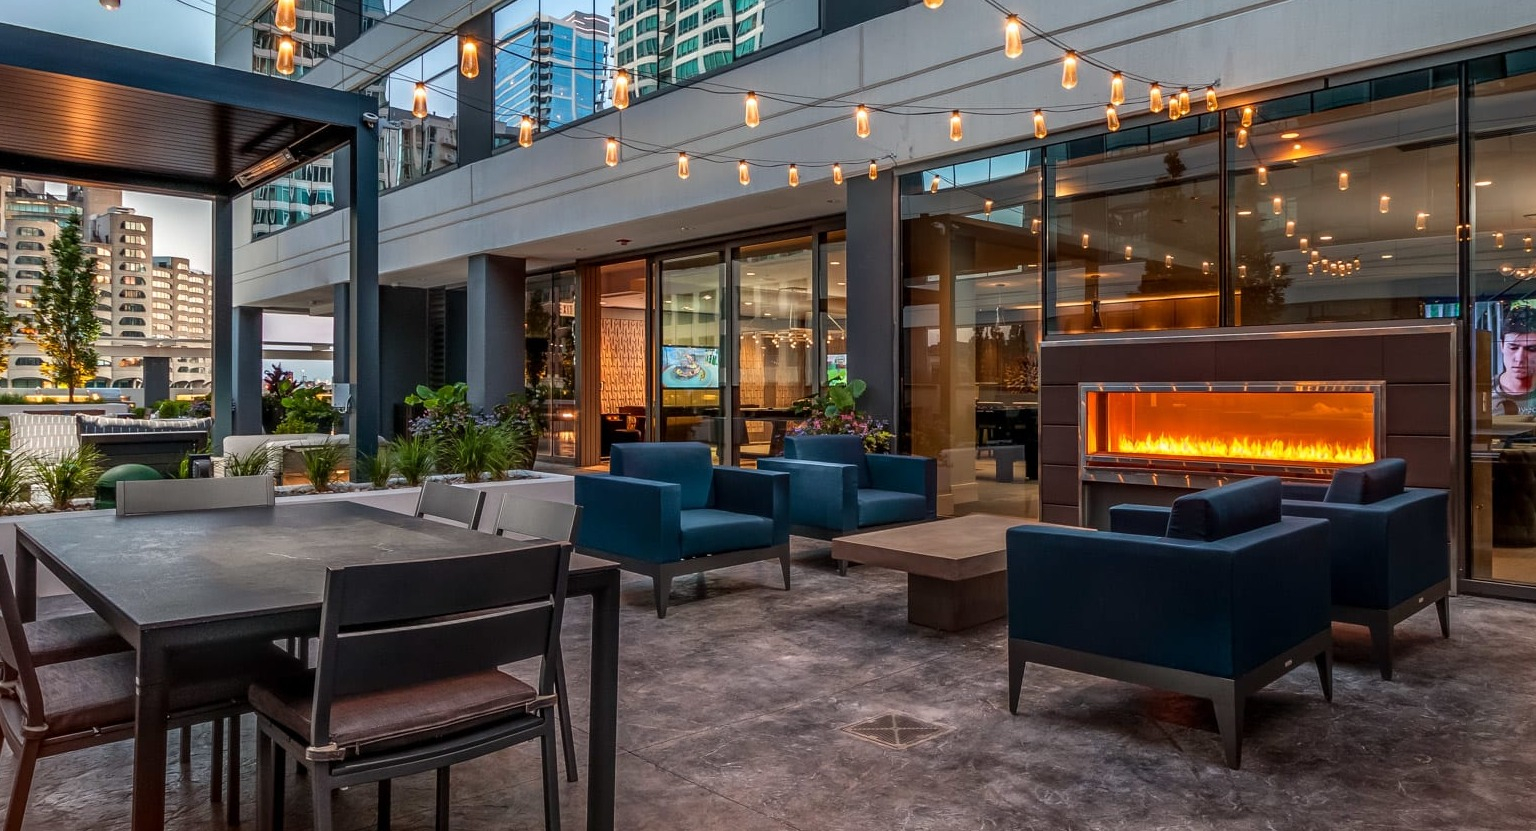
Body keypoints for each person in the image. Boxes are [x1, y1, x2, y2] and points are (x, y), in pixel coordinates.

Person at [1494, 306, 1536, 415]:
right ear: (1502, 346)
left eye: (1531, 349)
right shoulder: (1481, 391)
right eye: (1513, 347)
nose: (1520, 358)